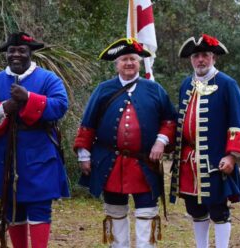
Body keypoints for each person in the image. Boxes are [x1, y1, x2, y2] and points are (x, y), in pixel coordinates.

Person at [74, 38, 176, 248]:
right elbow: (88, 123)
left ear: (139, 63)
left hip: (144, 163)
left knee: (147, 210)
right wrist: (84, 154)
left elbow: (170, 120)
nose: (128, 63)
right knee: (115, 209)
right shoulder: (103, 89)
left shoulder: (154, 89)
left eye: (132, 59)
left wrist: (161, 141)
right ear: (116, 64)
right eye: (124, 59)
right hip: (110, 161)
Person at [0, 32, 70, 248]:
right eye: (12, 51)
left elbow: (60, 105)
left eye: (22, 50)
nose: (16, 55)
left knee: (40, 208)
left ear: (30, 52)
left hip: (39, 154)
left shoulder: (48, 78)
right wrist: (4, 108)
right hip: (5, 155)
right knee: (12, 209)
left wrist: (29, 98)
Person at [169, 34, 240, 248]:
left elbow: (239, 122)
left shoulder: (227, 84)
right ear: (191, 59)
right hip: (188, 161)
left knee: (218, 210)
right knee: (195, 209)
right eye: (196, 56)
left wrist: (232, 156)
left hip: (215, 160)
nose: (200, 60)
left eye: (205, 55)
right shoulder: (186, 83)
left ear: (213, 57)